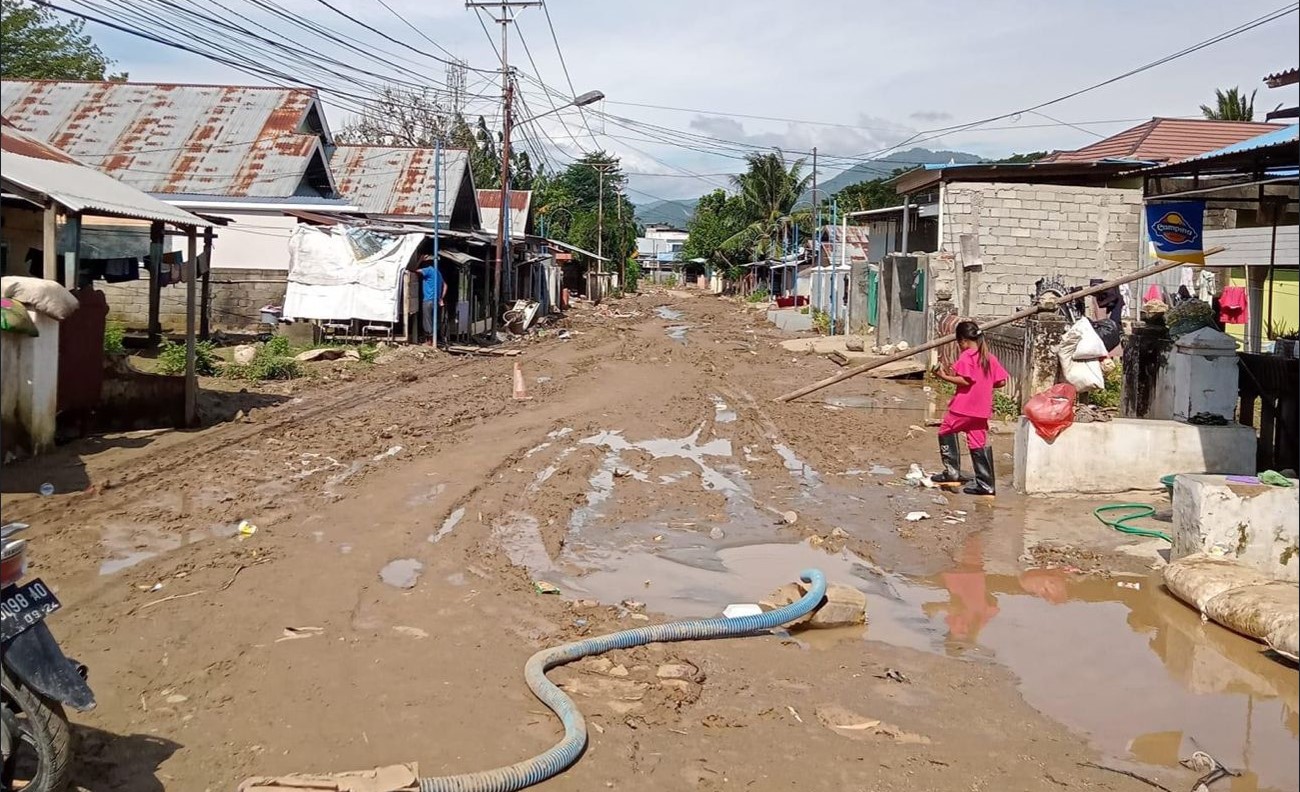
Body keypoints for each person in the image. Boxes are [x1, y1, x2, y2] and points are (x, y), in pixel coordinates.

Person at [930, 321, 1009, 496]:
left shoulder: (967, 357)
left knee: (945, 431)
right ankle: (986, 484)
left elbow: (965, 380)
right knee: (977, 442)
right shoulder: (989, 357)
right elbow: (1002, 381)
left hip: (963, 407)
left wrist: (943, 376)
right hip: (981, 410)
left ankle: (952, 472)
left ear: (963, 341)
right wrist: (985, 385)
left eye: (959, 343)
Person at [418, 254, 446, 346]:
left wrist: (419, 260)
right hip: (436, 300)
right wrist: (441, 297)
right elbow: (445, 285)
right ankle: (434, 340)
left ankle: (429, 341)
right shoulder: (438, 273)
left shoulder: (428, 270)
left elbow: (413, 270)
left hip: (428, 299)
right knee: (434, 320)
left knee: (427, 320)